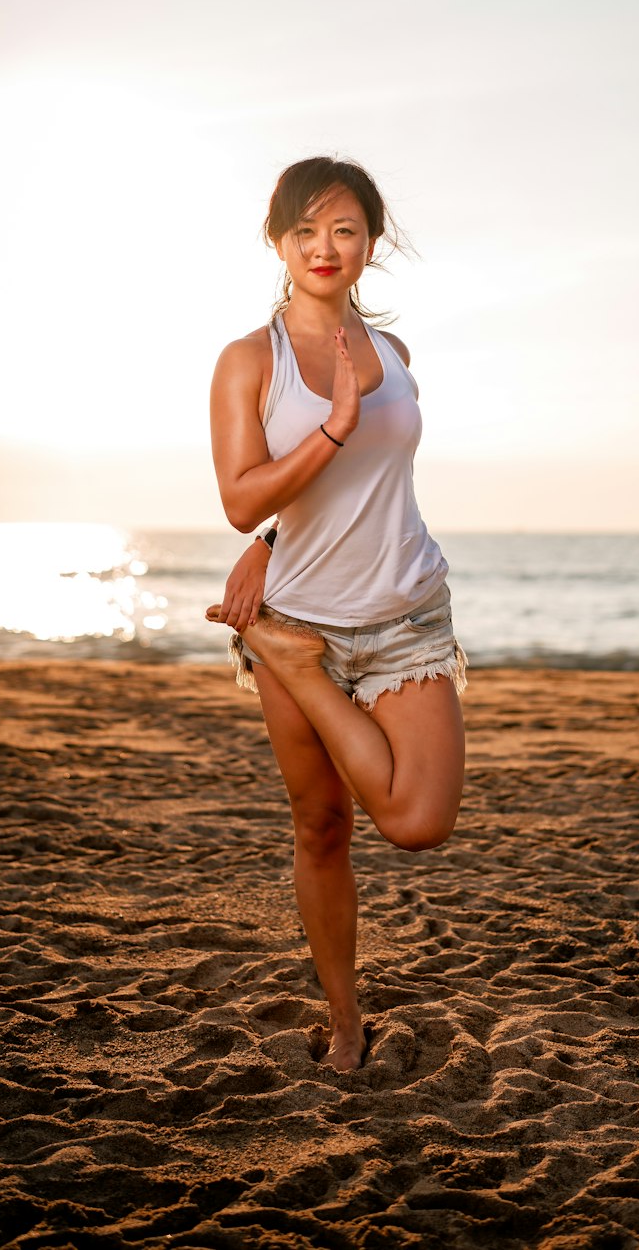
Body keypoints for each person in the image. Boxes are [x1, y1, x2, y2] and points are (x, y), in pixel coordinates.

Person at [206, 156, 467, 1071]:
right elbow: (241, 499)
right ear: (279, 241)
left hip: (405, 615)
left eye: (346, 230)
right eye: (306, 230)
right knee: (321, 825)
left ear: (371, 244)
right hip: (302, 616)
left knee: (419, 820)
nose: (326, 247)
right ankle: (346, 1017)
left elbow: (350, 495)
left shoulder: (395, 357)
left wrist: (274, 540)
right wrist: (329, 431)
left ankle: (296, 672)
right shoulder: (249, 360)